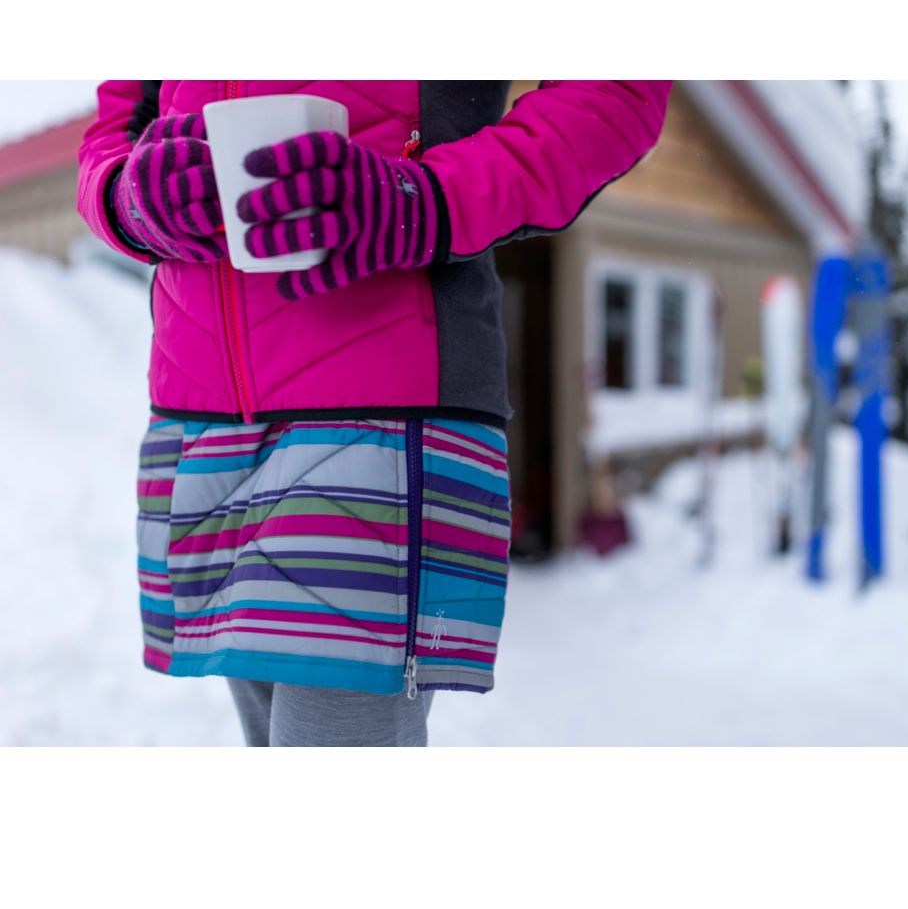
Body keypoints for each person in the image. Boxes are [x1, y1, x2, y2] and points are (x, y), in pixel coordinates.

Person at [77, 80, 672, 747]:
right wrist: (126, 198)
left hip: (384, 402)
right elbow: (112, 134)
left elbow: (616, 91)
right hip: (201, 414)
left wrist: (427, 199)